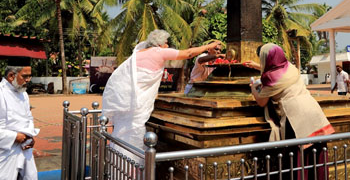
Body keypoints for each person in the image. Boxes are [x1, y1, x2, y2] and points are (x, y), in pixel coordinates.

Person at [102, 29, 221, 163]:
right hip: (137, 104)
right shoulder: (158, 51)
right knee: (134, 131)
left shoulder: (139, 52)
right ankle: (131, 168)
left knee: (123, 130)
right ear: (160, 43)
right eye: (166, 43)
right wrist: (208, 46)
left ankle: (119, 164)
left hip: (127, 101)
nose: (168, 46)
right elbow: (188, 53)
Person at [245, 43, 334, 180]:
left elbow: (262, 102)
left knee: (298, 159)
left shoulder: (269, 78)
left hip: (296, 117)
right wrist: (256, 66)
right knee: (316, 155)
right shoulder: (290, 68)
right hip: (314, 112)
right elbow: (278, 69)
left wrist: (253, 89)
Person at [0, 61, 40, 180]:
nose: (28, 80)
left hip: (25, 148)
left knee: (31, 177)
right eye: (25, 76)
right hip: (5, 151)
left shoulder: (24, 94)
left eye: (29, 76)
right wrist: (14, 137)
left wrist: (30, 136)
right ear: (11, 76)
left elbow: (28, 118)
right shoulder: (1, 94)